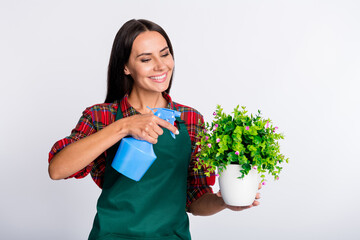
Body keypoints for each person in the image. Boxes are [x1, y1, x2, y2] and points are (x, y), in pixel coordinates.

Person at [48, 19, 261, 240]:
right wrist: (123, 126)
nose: (160, 66)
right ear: (126, 67)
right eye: (146, 59)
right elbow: (58, 169)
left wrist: (224, 201)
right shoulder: (102, 116)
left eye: (165, 54)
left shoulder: (190, 119)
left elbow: (195, 199)